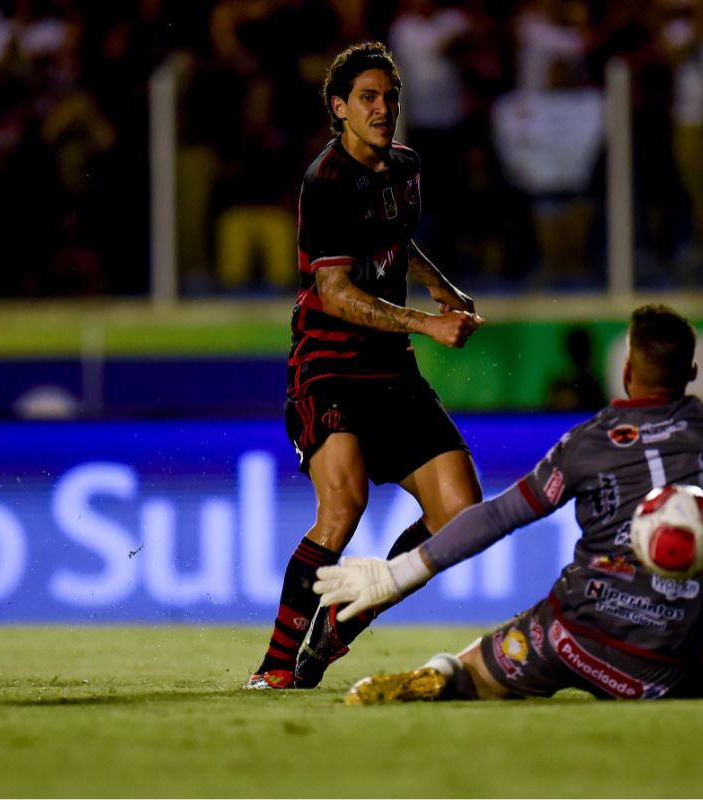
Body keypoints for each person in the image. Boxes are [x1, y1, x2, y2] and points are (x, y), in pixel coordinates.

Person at [314, 304, 703, 703]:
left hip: (571, 637)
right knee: (686, 671)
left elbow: (501, 514)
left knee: (476, 670)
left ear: (626, 374)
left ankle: (442, 677)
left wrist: (398, 573)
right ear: (693, 372)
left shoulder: (586, 444)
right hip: (664, 659)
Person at [245, 41, 486, 690]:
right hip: (328, 368)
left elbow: (393, 237)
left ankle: (346, 618)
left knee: (461, 512)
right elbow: (335, 293)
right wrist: (426, 324)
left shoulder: (405, 167)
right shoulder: (325, 182)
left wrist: (439, 284)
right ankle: (275, 671)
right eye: (369, 99)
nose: (384, 110)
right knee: (343, 506)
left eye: (391, 98)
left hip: (392, 375)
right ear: (339, 109)